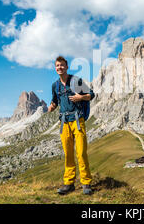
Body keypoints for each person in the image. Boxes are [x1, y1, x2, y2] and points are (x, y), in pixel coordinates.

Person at [48, 56, 95, 195]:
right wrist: (52, 107)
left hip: (77, 119)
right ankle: (69, 183)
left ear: (67, 67)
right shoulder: (55, 85)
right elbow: (55, 101)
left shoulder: (76, 81)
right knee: (68, 154)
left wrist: (81, 97)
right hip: (64, 122)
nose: (59, 68)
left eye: (62, 65)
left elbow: (91, 95)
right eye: (57, 66)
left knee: (80, 152)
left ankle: (86, 183)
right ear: (55, 68)